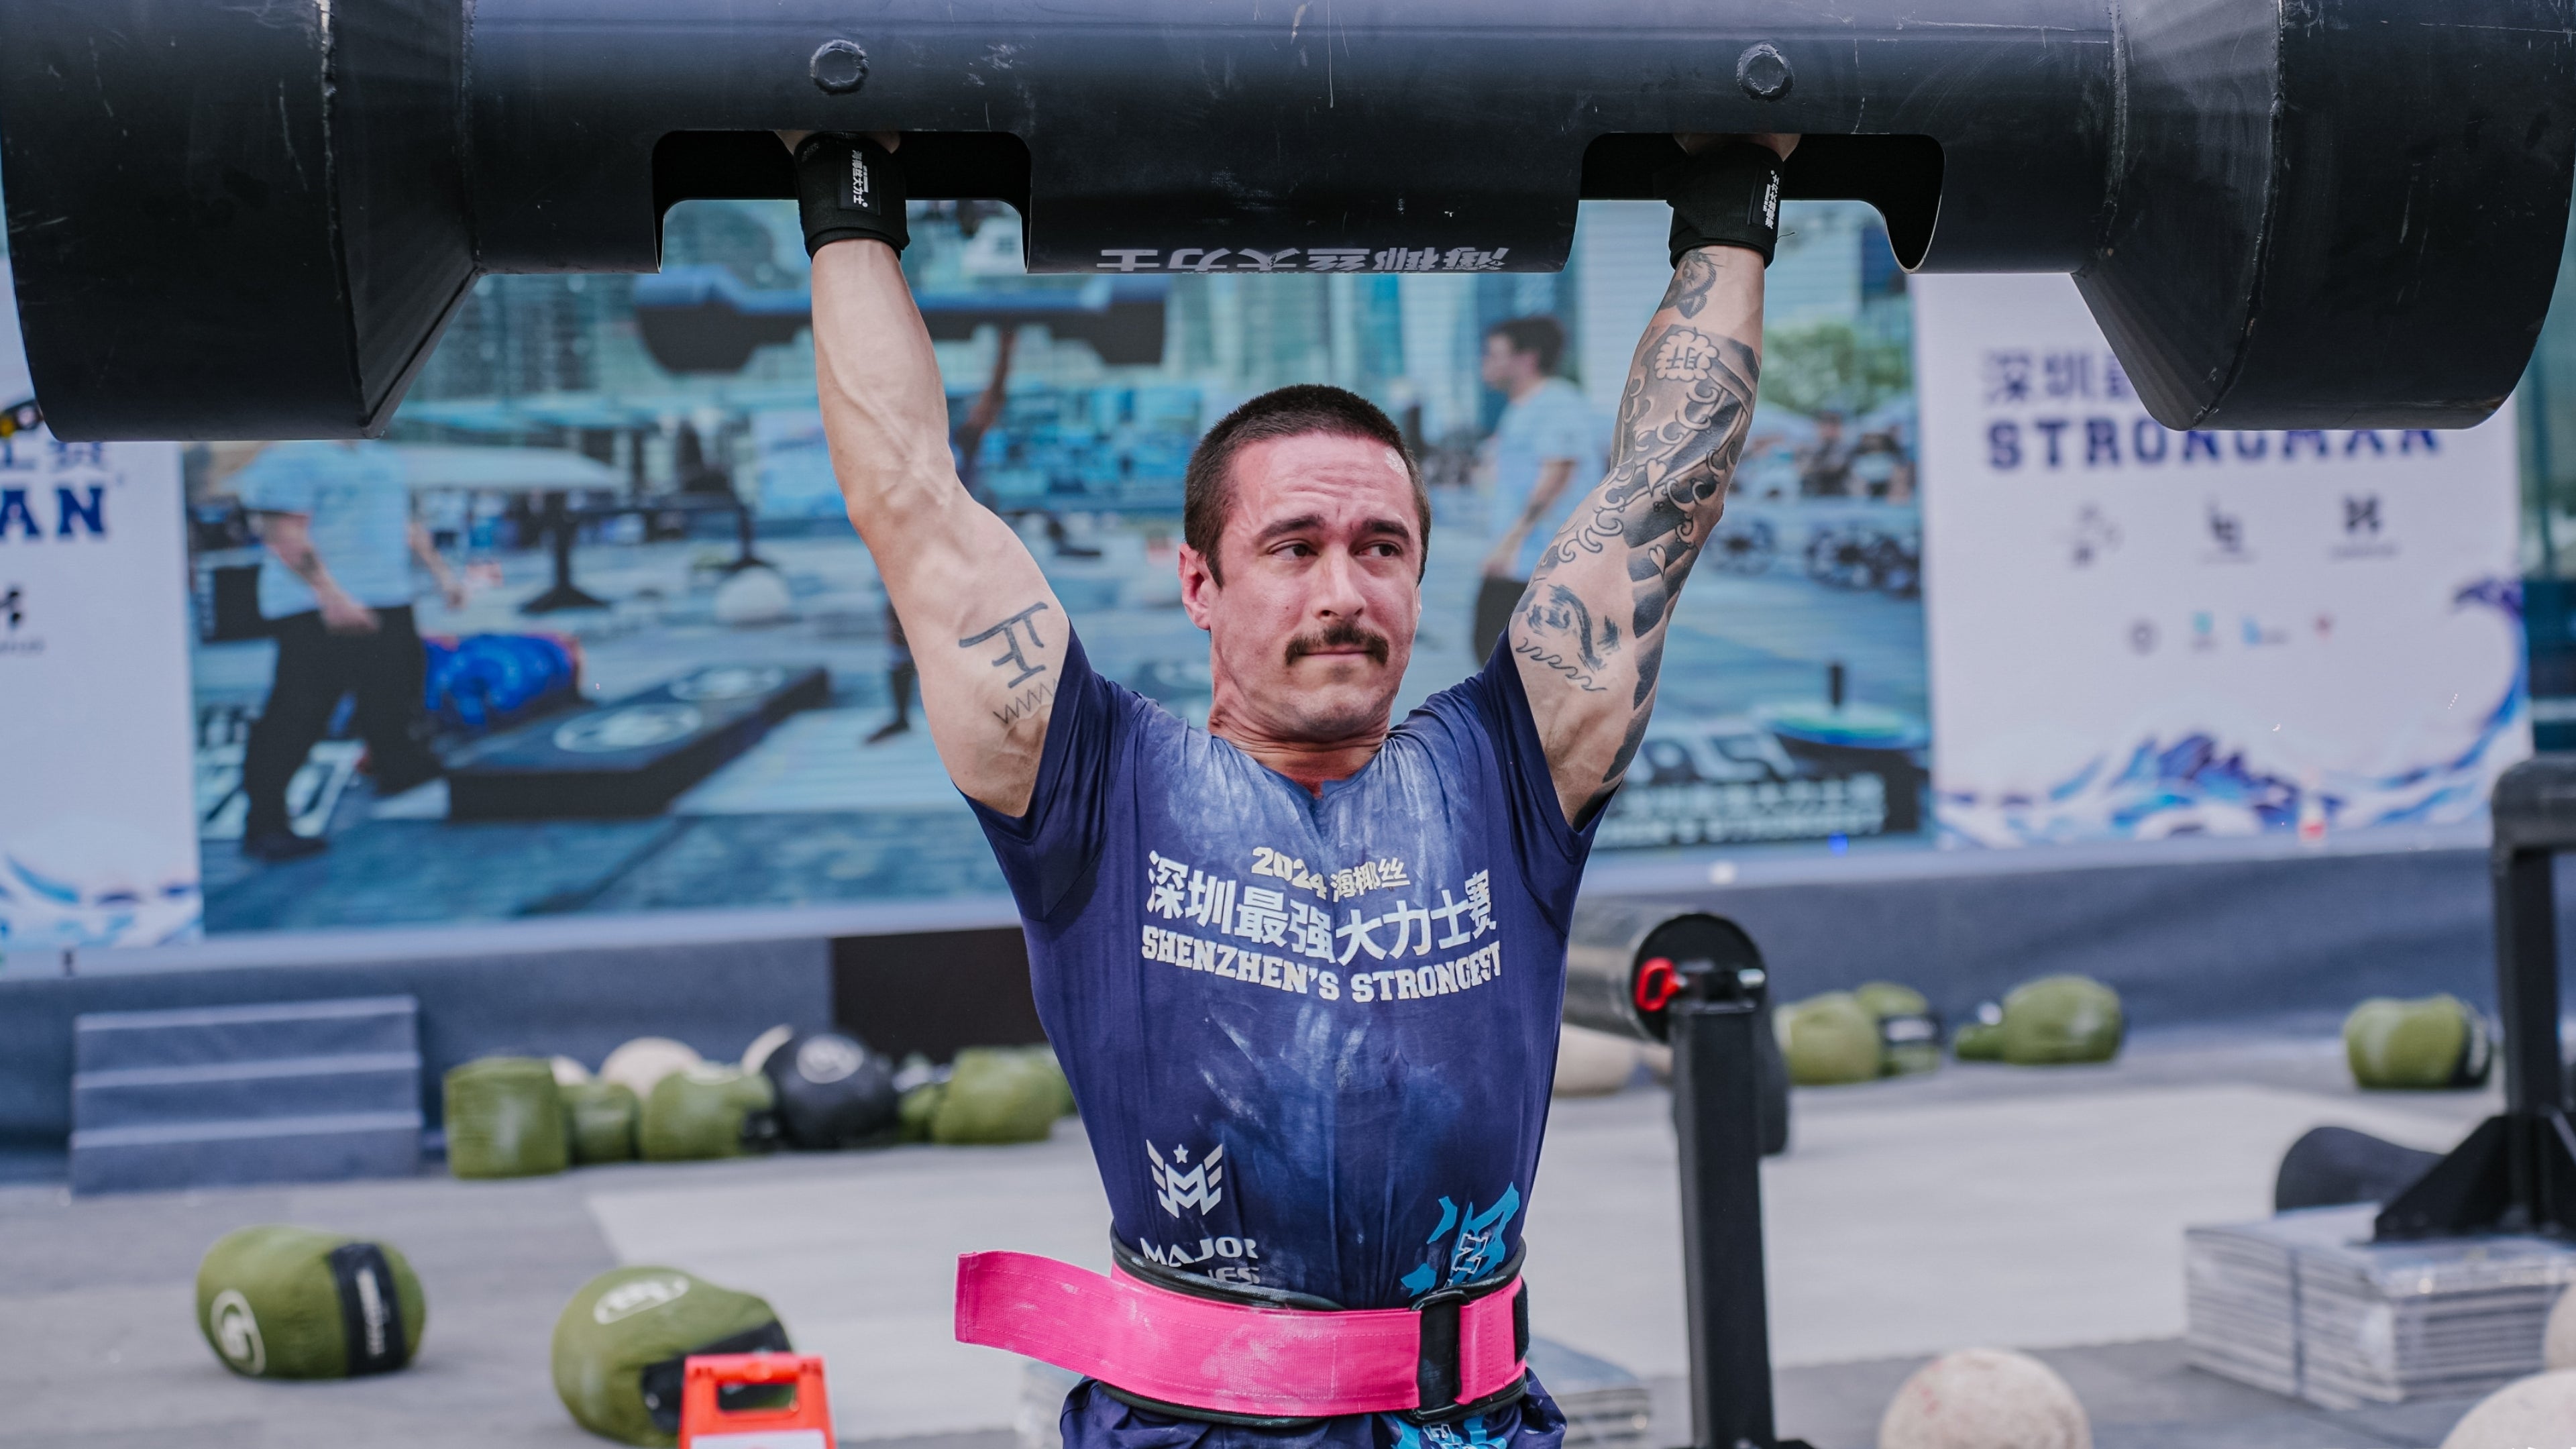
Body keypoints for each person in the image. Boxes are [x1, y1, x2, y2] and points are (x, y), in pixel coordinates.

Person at [783, 125, 1794, 1448]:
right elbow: (909, 497)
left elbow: (1662, 496)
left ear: (1421, 578)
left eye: (1382, 547)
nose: (1342, 591)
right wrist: (840, 188)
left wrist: (1736, 194)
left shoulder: (1507, 768)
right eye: (1293, 545)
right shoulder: (1093, 783)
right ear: (1199, 584)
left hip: (1477, 1427)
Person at [234, 439, 463, 862]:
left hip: (387, 596)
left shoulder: (383, 458)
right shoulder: (292, 455)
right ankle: (265, 824)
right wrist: (331, 597)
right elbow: (283, 533)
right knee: (299, 713)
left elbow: (406, 523)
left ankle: (400, 774)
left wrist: (442, 576)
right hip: (314, 606)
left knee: (396, 696)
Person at [1472, 316, 1605, 663]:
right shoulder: (1521, 407)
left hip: (1543, 563)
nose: (1486, 362)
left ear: (1526, 359)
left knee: (1509, 660)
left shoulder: (1556, 402)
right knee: (1497, 660)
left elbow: (1555, 478)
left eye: (1494, 354)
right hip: (1522, 561)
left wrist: (1507, 546)